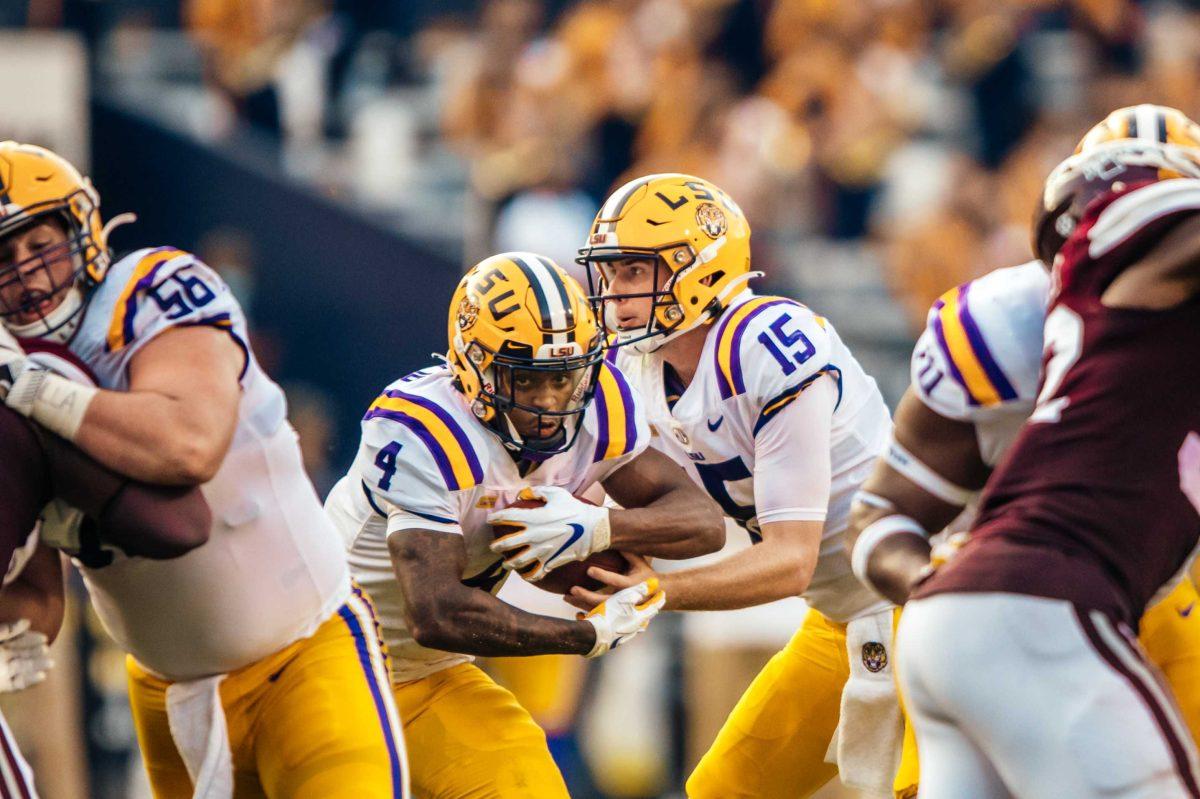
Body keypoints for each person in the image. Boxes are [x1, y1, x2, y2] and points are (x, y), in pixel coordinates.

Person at [0, 141, 408, 798]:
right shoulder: (10, 383)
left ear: (81, 233)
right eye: (2, 259)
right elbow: (40, 598)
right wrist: (13, 631)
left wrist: (36, 390)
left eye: (39, 245)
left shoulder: (148, 290)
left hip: (303, 657)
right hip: (169, 697)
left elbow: (189, 444)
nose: (27, 275)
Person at [846, 105, 1200, 798]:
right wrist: (926, 576)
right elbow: (882, 513)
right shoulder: (1121, 244)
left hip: (984, 619)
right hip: (1047, 601)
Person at [324, 251, 724, 798]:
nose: (548, 402)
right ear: (472, 368)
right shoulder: (426, 429)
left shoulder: (601, 403)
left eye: (562, 378)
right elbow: (434, 611)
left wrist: (596, 527)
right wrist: (582, 636)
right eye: (524, 380)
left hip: (427, 676)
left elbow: (702, 523)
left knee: (527, 785)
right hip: (324, 666)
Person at [572, 173, 898, 797]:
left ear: (698, 269)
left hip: (924, 601)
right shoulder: (633, 368)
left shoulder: (767, 344)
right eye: (610, 275)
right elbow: (589, 495)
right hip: (838, 618)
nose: (614, 294)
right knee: (724, 790)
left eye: (634, 273)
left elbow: (790, 561)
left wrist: (656, 592)